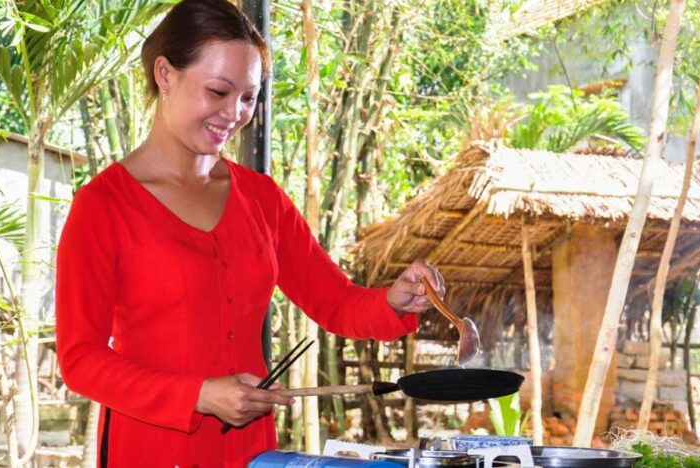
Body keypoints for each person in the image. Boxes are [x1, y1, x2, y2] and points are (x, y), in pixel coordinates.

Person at [55, 0, 445, 466]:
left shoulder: (261, 198)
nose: (234, 113)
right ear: (165, 75)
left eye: (248, 97)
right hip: (152, 447)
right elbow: (81, 361)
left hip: (252, 448)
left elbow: (336, 303)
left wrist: (393, 301)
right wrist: (198, 395)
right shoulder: (103, 206)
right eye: (218, 92)